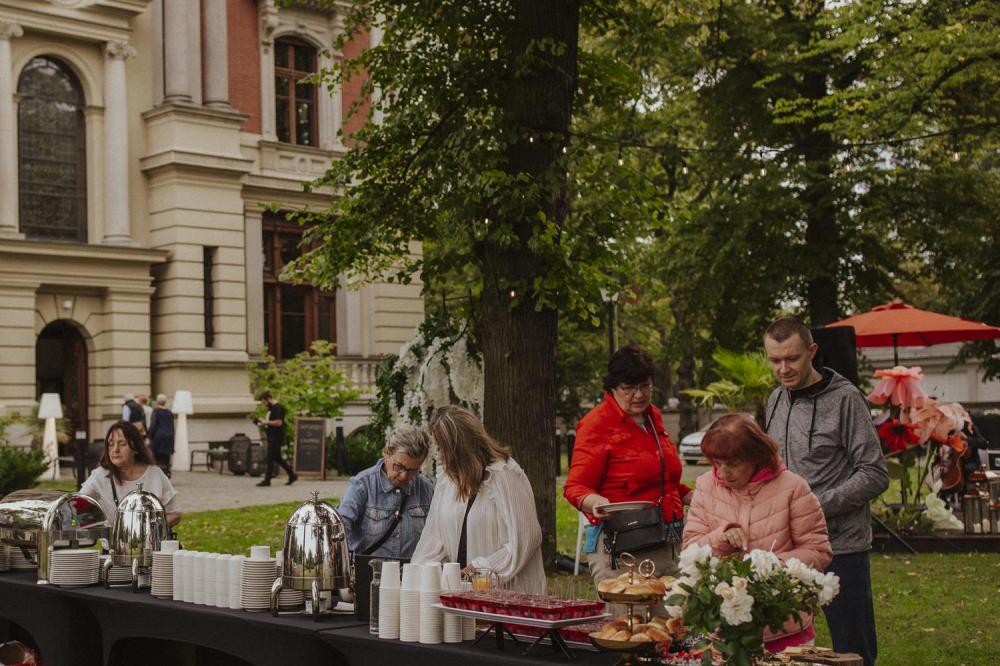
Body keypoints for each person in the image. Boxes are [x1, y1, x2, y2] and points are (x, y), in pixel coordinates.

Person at [763, 317, 889, 666]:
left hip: (841, 548)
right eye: (775, 360)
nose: (783, 369)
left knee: (851, 651)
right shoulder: (775, 399)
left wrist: (815, 506)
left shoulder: (846, 399)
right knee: (787, 651)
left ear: (812, 351)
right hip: (788, 549)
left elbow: (875, 473)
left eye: (792, 358)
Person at [683, 413, 832, 652]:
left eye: (732, 464)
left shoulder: (793, 487)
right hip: (722, 629)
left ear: (756, 456)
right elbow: (690, 549)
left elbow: (818, 551)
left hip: (783, 627)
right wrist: (722, 537)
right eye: (716, 463)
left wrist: (769, 567)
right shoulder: (705, 486)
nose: (722, 473)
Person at [564, 345, 692, 585]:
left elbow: (665, 480)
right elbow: (575, 487)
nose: (639, 394)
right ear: (613, 387)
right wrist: (595, 502)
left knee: (674, 610)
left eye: (645, 386)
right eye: (629, 388)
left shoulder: (653, 416)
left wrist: (693, 495)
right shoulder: (596, 424)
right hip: (623, 549)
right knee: (628, 611)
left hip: (669, 543)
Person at [411, 405, 545, 593]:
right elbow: (433, 541)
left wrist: (480, 569)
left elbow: (527, 539)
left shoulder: (504, 474)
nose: (440, 457)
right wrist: (414, 579)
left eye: (443, 449)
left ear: (460, 448)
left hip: (508, 596)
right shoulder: (447, 481)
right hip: (463, 595)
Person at [338, 425, 435, 558]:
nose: (404, 476)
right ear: (386, 453)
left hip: (411, 570)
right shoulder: (361, 485)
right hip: (368, 570)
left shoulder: (426, 488)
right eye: (399, 466)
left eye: (413, 470)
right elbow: (341, 528)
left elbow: (435, 536)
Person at [80, 421, 181, 528]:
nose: (115, 450)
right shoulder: (100, 475)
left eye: (122, 444)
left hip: (150, 538)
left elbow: (174, 514)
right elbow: (76, 506)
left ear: (135, 447)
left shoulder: (155, 474)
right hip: (112, 539)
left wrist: (147, 528)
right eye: (111, 444)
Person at [255, 390, 297, 487]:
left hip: (276, 436)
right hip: (272, 435)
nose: (264, 404)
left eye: (264, 402)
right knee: (277, 458)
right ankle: (292, 475)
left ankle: (267, 480)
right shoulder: (271, 408)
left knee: (270, 457)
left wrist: (266, 422)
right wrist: (261, 422)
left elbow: (279, 422)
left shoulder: (277, 408)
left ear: (268, 399)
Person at [146, 394, 175, 478]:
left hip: (158, 437)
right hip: (169, 437)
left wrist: (149, 437)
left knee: (157, 458)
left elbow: (153, 425)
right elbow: (172, 427)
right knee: (166, 458)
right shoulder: (169, 412)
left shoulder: (156, 411)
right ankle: (166, 474)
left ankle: (159, 476)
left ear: (157, 401)